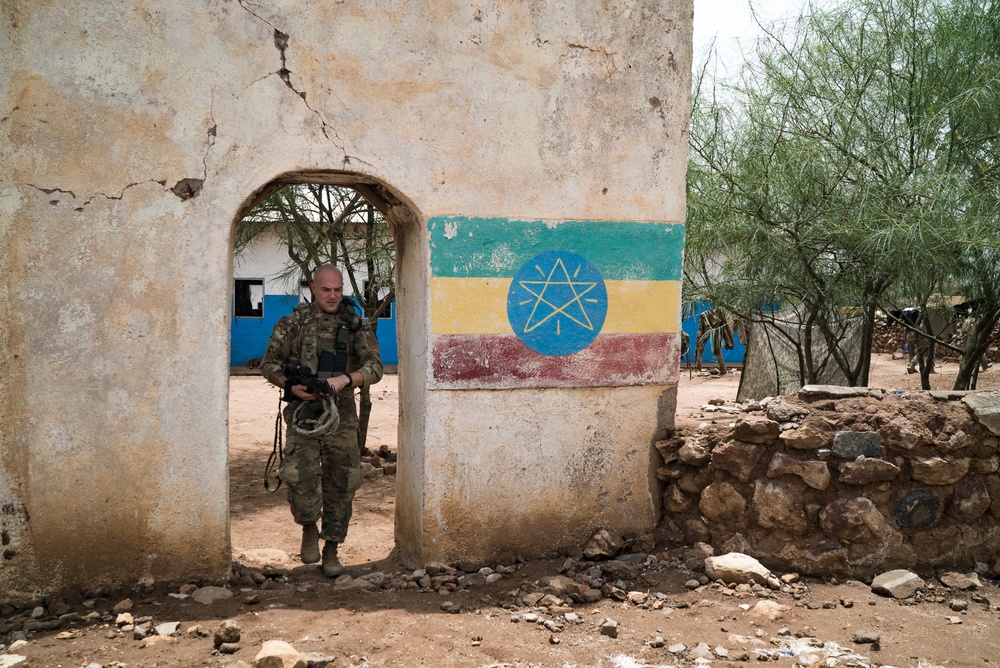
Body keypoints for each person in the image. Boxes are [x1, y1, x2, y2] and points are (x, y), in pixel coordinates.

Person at [259, 264, 383, 576]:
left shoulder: (355, 325)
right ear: (313, 288)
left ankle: (331, 549)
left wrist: (347, 379)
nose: (332, 296)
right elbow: (268, 363)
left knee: (342, 484)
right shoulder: (293, 323)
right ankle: (308, 528)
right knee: (300, 479)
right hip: (303, 418)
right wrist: (289, 385)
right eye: (326, 290)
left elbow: (375, 367)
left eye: (338, 290)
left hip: (341, 419)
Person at [694, 308, 735, 376]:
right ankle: (722, 369)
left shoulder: (721, 314)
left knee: (716, 348)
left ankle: (722, 369)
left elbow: (727, 327)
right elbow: (727, 327)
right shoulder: (706, 315)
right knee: (701, 345)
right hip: (713, 325)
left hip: (716, 327)